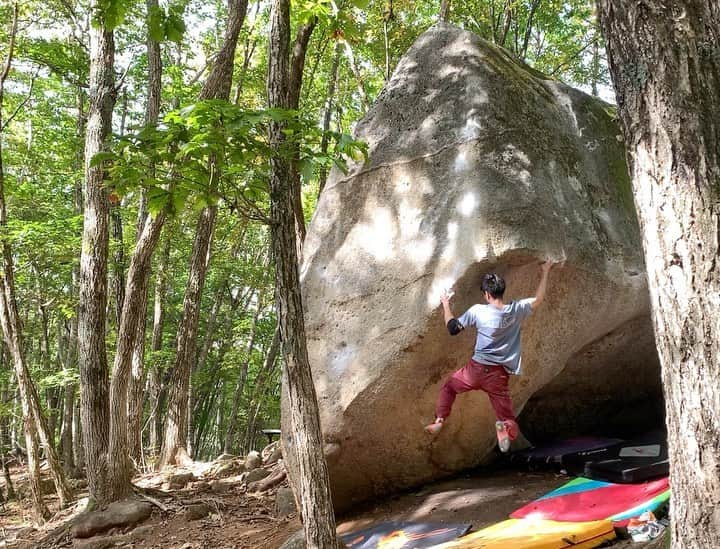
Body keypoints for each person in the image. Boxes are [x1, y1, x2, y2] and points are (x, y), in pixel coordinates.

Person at [425, 261, 558, 452]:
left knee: (449, 387)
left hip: (475, 370)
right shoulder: (515, 310)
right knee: (508, 417)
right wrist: (546, 271)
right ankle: (504, 427)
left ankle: (439, 420)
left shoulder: (478, 311)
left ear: (487, 295)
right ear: (502, 292)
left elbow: (453, 328)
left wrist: (446, 304)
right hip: (498, 376)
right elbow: (539, 298)